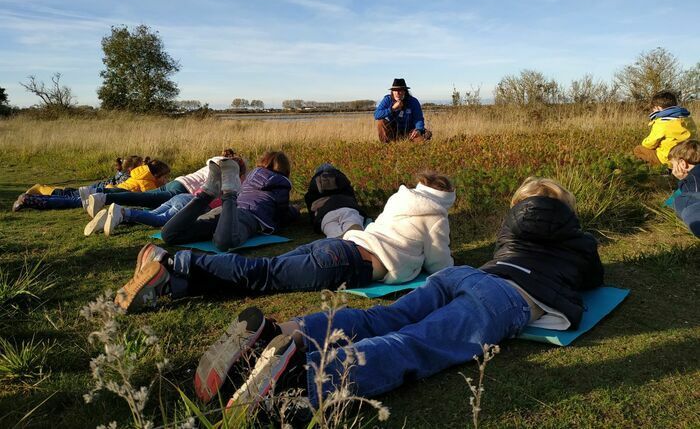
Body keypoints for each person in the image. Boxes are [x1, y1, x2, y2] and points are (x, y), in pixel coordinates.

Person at [194, 177, 603, 415]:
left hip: (469, 276)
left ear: (518, 208)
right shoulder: (579, 242)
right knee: (416, 344)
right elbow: (591, 277)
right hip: (509, 297)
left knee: (381, 321)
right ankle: (300, 380)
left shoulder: (508, 232)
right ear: (567, 211)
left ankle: (278, 335)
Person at [112, 171, 455, 322]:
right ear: (446, 198)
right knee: (265, 274)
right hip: (349, 264)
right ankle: (178, 261)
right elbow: (440, 266)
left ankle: (173, 283)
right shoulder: (436, 216)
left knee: (263, 272)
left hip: (336, 247)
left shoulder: (400, 201)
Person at [83, 149, 239, 217]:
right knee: (147, 200)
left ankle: (101, 195)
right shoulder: (229, 173)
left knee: (145, 199)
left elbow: (212, 161)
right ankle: (104, 198)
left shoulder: (214, 162)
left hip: (178, 182)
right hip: (183, 190)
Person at [12, 155, 145, 212]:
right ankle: (39, 191)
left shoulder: (130, 174)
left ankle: (36, 196)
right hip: (101, 189)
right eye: (141, 166)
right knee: (70, 195)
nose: (143, 167)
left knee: (70, 194)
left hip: (101, 188)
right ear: (131, 168)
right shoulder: (131, 175)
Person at [633, 90, 696, 167]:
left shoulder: (662, 122)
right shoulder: (688, 119)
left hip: (669, 159)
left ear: (658, 107)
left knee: (638, 149)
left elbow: (649, 144)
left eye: (653, 108)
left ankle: (659, 168)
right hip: (689, 158)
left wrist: (647, 143)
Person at [304, 163, 366, 238]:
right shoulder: (345, 187)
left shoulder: (313, 192)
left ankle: (338, 238)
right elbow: (353, 200)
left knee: (331, 229)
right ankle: (354, 235)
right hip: (347, 208)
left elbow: (312, 211)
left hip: (325, 215)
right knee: (352, 224)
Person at [374, 78, 432, 143]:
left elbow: (418, 119)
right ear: (392, 91)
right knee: (381, 122)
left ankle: (411, 143)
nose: (397, 93)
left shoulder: (413, 101)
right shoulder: (387, 99)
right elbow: (376, 115)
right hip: (393, 131)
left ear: (405, 91)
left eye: (400, 90)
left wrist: (418, 129)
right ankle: (386, 145)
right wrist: (392, 109)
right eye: (395, 90)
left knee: (423, 139)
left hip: (410, 131)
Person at [667, 140, 700, 237]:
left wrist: (683, 180)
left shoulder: (693, 177)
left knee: (680, 201)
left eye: (673, 165)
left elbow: (692, 196)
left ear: (682, 163)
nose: (672, 170)